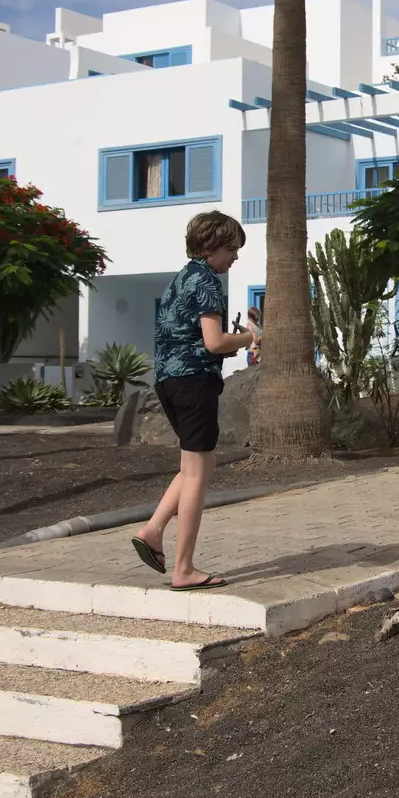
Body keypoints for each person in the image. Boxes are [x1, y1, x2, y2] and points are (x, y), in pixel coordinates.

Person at [130, 210, 259, 590]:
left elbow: (194, 337)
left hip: (168, 382)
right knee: (199, 473)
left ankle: (153, 531)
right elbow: (214, 342)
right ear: (211, 245)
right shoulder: (207, 282)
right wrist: (249, 338)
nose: (235, 257)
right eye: (232, 249)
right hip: (194, 383)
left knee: (193, 467)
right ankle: (183, 569)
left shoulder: (181, 278)